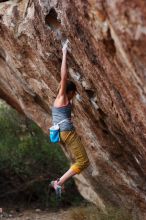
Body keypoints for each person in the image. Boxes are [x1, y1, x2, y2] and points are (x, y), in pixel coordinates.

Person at [50, 41, 89, 197]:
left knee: (82, 161)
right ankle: (58, 183)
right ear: (69, 91)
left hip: (63, 132)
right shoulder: (62, 96)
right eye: (74, 93)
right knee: (83, 162)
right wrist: (64, 52)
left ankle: (59, 182)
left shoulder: (60, 100)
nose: (74, 96)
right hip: (66, 132)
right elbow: (64, 76)